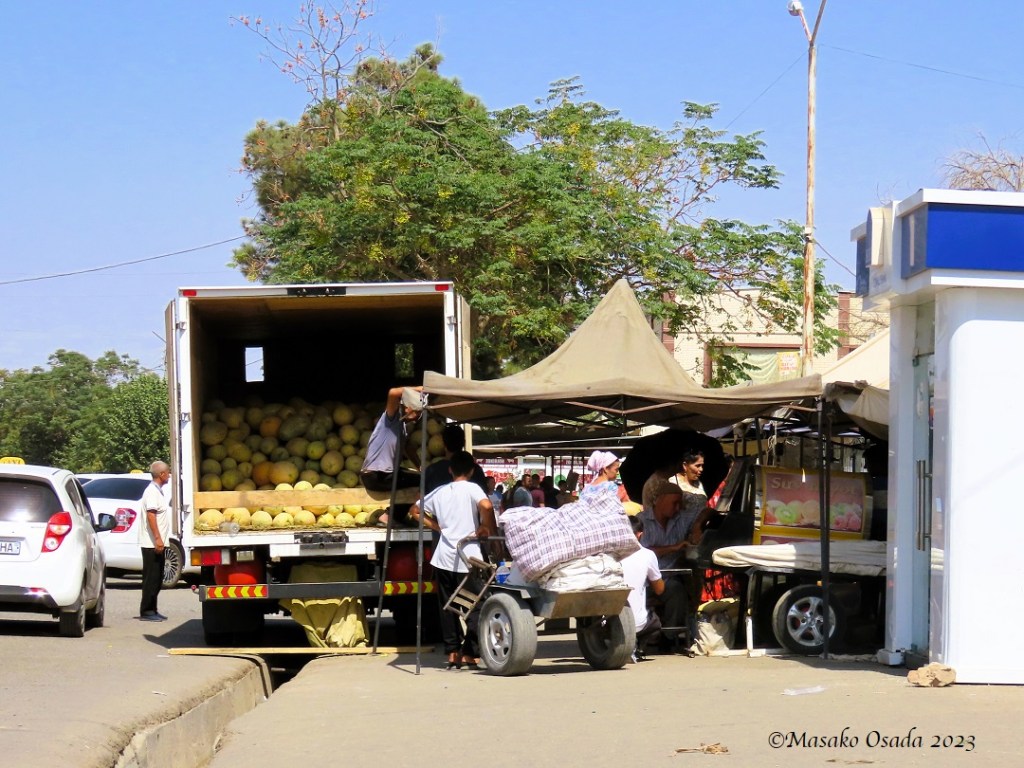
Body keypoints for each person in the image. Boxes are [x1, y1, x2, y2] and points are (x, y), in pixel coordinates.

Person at [408, 451, 496, 669]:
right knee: (476, 604)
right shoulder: (473, 488)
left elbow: (415, 511)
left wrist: (438, 527)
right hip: (469, 557)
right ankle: (470, 651)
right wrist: (486, 527)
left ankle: (452, 651)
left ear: (450, 470)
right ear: (472, 470)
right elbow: (487, 506)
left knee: (448, 607)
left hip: (444, 557)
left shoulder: (440, 491)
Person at [637, 480, 695, 644]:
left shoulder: (681, 519)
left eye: (679, 504)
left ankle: (669, 637)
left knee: (677, 592)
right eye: (674, 503)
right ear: (660, 500)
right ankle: (641, 634)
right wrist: (674, 548)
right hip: (644, 581)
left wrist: (698, 526)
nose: (677, 508)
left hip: (668, 580)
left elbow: (705, 512)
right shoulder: (642, 521)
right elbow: (642, 552)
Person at [359, 386, 424, 525]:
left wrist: (420, 466)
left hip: (386, 474)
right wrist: (421, 388)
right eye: (416, 409)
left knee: (421, 478)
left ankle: (393, 516)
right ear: (405, 406)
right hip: (376, 475)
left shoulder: (403, 427)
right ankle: (389, 516)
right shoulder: (391, 420)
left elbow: (408, 447)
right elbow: (393, 392)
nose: (418, 415)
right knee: (421, 481)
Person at [621, 515, 665, 660]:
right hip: (637, 623)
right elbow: (659, 589)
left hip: (605, 622)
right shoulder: (647, 555)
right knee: (655, 621)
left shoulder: (610, 553)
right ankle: (638, 646)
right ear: (640, 534)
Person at [139, 460, 172, 622]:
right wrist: (158, 539)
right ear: (162, 474)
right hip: (151, 543)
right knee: (151, 579)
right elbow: (151, 515)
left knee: (158, 578)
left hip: (158, 543)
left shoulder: (157, 491)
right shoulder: (151, 492)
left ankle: (153, 609)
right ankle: (146, 611)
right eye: (168, 472)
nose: (169, 475)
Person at [423, 423, 487, 495]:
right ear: (464, 443)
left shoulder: (432, 470)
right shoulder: (476, 470)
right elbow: (484, 501)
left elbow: (420, 500)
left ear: (444, 444)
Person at [668, 450, 715, 539]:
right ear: (685, 466)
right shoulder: (673, 482)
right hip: (679, 534)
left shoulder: (699, 483)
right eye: (697, 466)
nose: (701, 469)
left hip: (699, 533)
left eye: (702, 465)